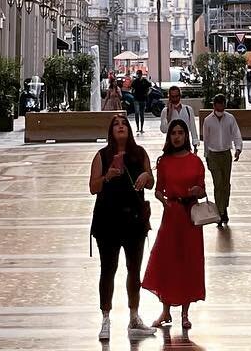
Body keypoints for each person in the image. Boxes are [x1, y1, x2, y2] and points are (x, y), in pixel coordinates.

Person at [89, 114, 153, 342]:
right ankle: (106, 318)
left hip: (134, 220)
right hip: (108, 221)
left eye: (124, 124)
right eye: (116, 124)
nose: (120, 127)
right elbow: (92, 187)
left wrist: (146, 175)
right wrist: (107, 176)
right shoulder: (102, 155)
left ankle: (134, 317)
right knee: (108, 269)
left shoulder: (139, 154)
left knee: (134, 269)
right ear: (110, 131)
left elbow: (151, 181)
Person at [142, 119, 207, 332]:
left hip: (191, 217)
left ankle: (185, 312)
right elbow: (159, 189)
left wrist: (197, 192)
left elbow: (203, 189)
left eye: (181, 132)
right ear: (169, 136)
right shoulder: (164, 161)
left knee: (189, 261)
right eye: (174, 133)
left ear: (186, 136)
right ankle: (166, 309)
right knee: (167, 260)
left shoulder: (196, 161)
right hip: (172, 216)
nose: (177, 136)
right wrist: (164, 201)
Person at [201, 94, 242, 227]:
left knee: (225, 184)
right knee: (218, 184)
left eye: (222, 104)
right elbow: (206, 139)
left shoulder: (230, 118)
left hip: (226, 154)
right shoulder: (208, 120)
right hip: (213, 155)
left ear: (224, 104)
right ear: (214, 105)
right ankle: (220, 211)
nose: (220, 107)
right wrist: (206, 155)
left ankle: (224, 207)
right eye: (217, 104)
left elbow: (236, 133)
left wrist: (238, 148)